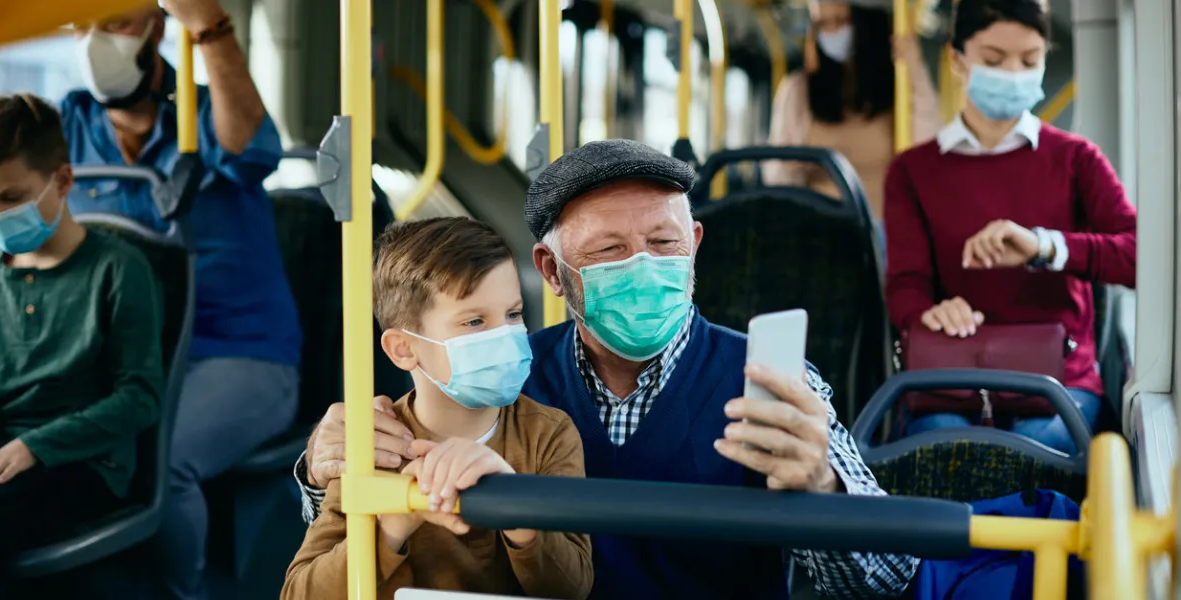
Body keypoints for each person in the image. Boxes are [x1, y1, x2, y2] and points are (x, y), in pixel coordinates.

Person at [296, 140, 919, 599]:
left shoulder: (771, 381)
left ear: (696, 245)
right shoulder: (499, 372)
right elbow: (363, 519)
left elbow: (890, 577)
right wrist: (323, 470)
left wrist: (823, 490)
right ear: (551, 271)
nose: (644, 267)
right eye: (609, 251)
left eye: (665, 243)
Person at [59, 2, 301, 597]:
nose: (96, 44)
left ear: (156, 28)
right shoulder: (71, 123)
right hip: (130, 356)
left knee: (162, 457)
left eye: (114, 24)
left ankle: (183, 592)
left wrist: (211, 29)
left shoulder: (205, 112)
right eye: (84, 26)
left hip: (240, 352)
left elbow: (252, 151)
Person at [282, 217, 592, 600]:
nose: (505, 336)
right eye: (475, 321)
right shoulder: (373, 444)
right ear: (404, 349)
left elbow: (573, 587)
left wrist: (517, 505)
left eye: (513, 315)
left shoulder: (549, 434)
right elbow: (300, 593)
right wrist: (393, 523)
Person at [883, 0, 1136, 453]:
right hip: (951, 375)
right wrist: (928, 313)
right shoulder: (912, 171)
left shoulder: (1077, 160)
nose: (1014, 73)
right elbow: (905, 285)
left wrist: (1045, 247)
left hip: (1058, 378)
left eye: (1030, 60)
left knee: (1037, 449)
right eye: (995, 61)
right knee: (940, 445)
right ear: (957, 59)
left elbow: (1141, 256)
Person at [0, 93, 163, 597]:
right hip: (0, 461)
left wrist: (34, 446)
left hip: (84, 464)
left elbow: (140, 398)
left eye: (12, 198)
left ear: (62, 181)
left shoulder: (119, 270)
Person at [763, 0, 940, 221]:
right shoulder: (797, 92)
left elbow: (927, 150)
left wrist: (915, 70)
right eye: (822, 24)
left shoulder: (898, 86)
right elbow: (777, 174)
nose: (831, 33)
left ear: (865, 22)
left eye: (840, 21)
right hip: (816, 228)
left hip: (880, 230)